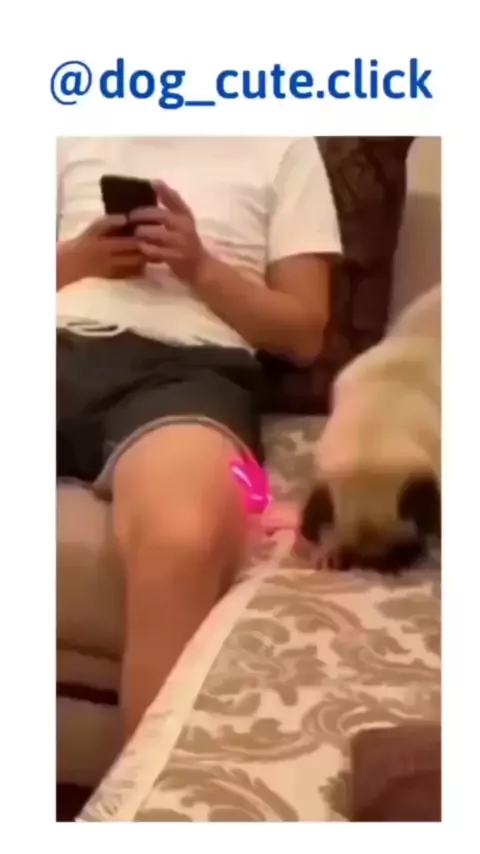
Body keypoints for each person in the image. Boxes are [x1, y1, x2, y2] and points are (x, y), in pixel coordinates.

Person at [56, 136, 341, 736]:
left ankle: (146, 791)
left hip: (188, 371)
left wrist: (199, 268)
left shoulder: (285, 143)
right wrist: (76, 262)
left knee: (182, 537)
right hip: (57, 342)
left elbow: (304, 334)